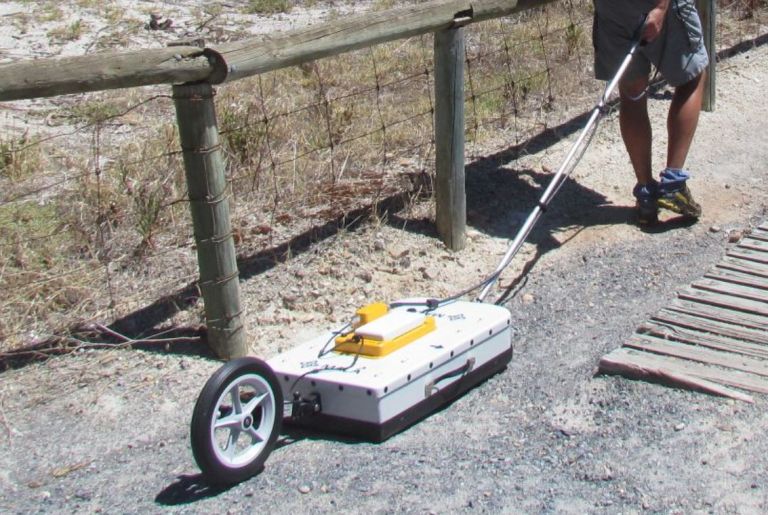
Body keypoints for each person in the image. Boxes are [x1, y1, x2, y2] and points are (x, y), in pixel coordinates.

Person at [593, 0, 709, 224]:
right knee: (692, 78)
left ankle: (646, 193)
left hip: (611, 11)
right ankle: (673, 183)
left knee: (632, 95)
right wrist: (660, 8)